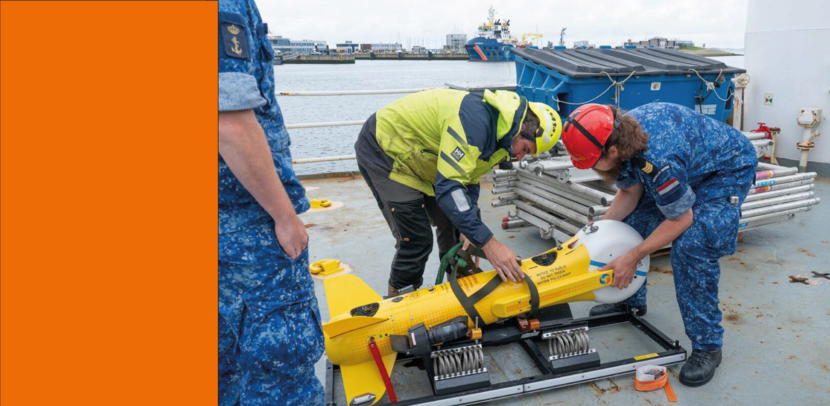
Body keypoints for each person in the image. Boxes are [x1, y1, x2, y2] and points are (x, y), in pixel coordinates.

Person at [560, 103, 757, 387]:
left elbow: (680, 219)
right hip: (688, 164)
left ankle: (708, 346)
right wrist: (593, 234)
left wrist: (632, 257)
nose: (591, 167)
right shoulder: (621, 136)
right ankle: (630, 301)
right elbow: (629, 192)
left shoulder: (657, 159)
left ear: (612, 152)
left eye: (592, 162)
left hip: (724, 171)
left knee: (692, 247)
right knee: (629, 225)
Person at [354, 89, 562, 296]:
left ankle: (459, 293)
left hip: (425, 158)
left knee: (460, 232)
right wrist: (489, 244)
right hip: (385, 149)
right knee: (416, 239)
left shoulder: (503, 138)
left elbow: (468, 179)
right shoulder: (475, 123)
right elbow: (450, 187)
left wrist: (472, 232)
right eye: (525, 149)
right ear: (523, 128)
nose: (520, 157)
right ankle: (399, 301)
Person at [217, 0, 323, 404]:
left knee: (225, 365)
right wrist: (284, 216)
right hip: (246, 225)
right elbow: (230, 124)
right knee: (283, 365)